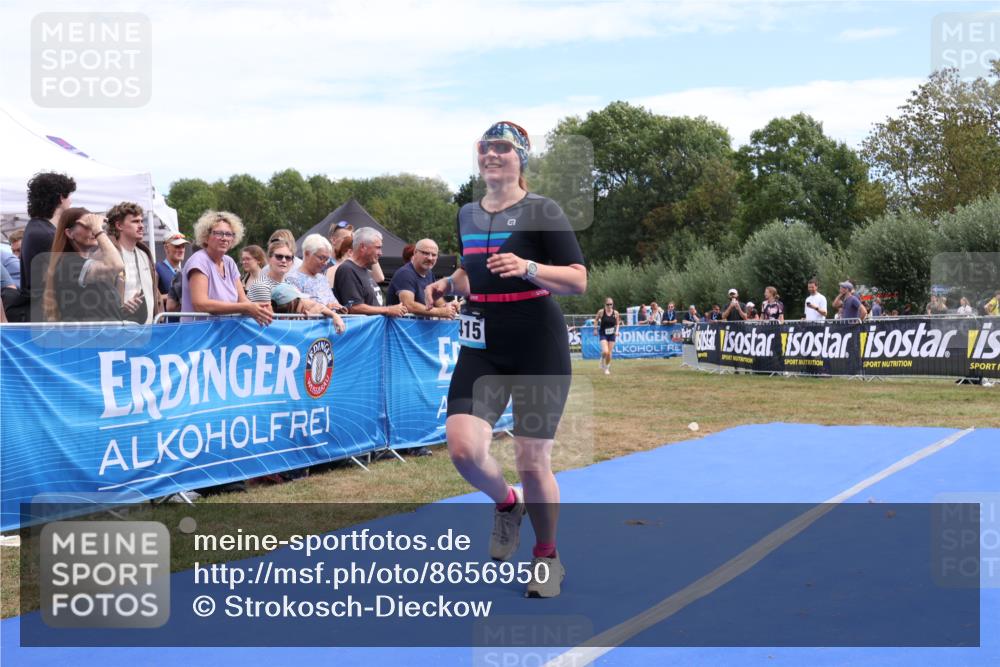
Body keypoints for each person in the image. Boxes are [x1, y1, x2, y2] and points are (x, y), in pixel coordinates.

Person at [424, 121, 587, 598]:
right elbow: (473, 268)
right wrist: (447, 283)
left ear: (521, 159)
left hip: (537, 341)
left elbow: (578, 280)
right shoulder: (467, 213)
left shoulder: (543, 210)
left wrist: (528, 267)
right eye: (485, 147)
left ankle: (547, 557)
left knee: (532, 460)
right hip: (483, 344)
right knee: (463, 451)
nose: (491, 155)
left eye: (502, 148)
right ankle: (506, 502)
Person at [180, 210, 272, 326]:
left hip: (224, 335)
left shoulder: (229, 262)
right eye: (218, 233)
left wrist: (259, 310)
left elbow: (242, 299)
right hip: (199, 336)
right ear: (206, 236)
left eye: (229, 234)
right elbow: (200, 304)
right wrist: (245, 307)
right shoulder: (199, 261)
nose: (224, 238)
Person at [9, 172, 77, 321]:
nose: (71, 202)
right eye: (69, 196)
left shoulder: (37, 228)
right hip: (47, 318)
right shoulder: (44, 233)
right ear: (61, 197)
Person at [41, 208, 124, 322]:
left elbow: (101, 308)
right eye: (87, 225)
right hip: (88, 337)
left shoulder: (85, 263)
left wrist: (123, 310)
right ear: (70, 233)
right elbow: (116, 265)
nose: (92, 230)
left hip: (103, 335)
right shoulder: (69, 263)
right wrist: (98, 229)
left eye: (92, 226)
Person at [107, 202, 160, 324]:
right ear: (119, 225)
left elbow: (153, 293)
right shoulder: (107, 255)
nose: (141, 226)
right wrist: (121, 309)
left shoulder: (145, 254)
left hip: (147, 330)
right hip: (118, 331)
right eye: (135, 221)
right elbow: (98, 300)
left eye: (141, 221)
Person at [334, 227, 406, 316]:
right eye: (378, 248)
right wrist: (388, 309)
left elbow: (380, 278)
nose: (381, 253)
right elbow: (354, 307)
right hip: (364, 329)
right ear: (363, 247)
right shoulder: (347, 269)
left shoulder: (363, 270)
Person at [387, 238, 458, 318]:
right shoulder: (405, 273)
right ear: (415, 253)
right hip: (402, 328)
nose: (430, 258)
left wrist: (448, 306)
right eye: (426, 253)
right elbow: (409, 305)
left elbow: (436, 298)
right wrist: (440, 311)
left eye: (434, 255)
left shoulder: (429, 273)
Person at [286, 234, 345, 312]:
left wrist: (340, 309)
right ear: (307, 254)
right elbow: (299, 311)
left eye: (327, 259)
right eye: (322, 258)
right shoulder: (292, 279)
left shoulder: (323, 278)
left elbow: (334, 303)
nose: (325, 263)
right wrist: (326, 309)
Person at [269, 283, 345, 333]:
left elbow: (319, 307)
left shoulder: (304, 308)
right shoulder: (272, 320)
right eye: (299, 300)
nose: (305, 302)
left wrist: (335, 316)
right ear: (291, 303)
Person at [594, 297, 620, 375]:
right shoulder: (601, 312)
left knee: (609, 353)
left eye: (611, 304)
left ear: (613, 304)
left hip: (612, 334)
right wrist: (595, 329)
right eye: (607, 304)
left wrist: (617, 331)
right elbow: (596, 320)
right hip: (603, 333)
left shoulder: (615, 313)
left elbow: (618, 323)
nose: (609, 306)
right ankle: (602, 359)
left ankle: (606, 368)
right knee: (605, 351)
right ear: (605, 304)